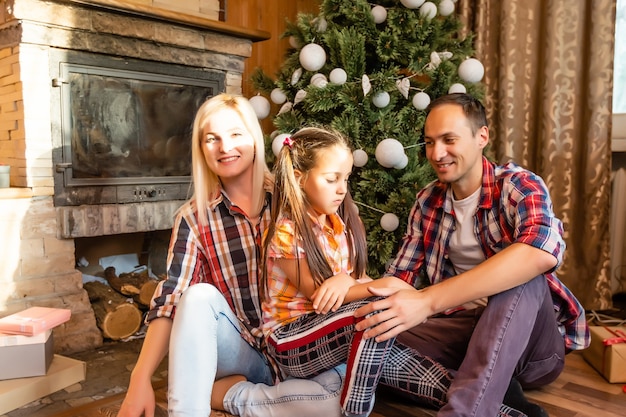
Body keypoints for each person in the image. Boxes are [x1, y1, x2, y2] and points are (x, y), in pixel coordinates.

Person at [354, 93, 590, 417]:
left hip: (533, 350)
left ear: (482, 136)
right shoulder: (427, 201)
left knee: (521, 272)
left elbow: (541, 252)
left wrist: (427, 301)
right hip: (463, 333)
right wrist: (346, 288)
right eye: (429, 142)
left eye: (449, 139)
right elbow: (398, 278)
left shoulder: (518, 185)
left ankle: (465, 410)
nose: (437, 153)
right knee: (371, 329)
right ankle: (502, 400)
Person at [117, 93, 348, 417]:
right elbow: (170, 300)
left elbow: (338, 255)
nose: (225, 147)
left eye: (236, 134)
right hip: (241, 352)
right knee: (197, 297)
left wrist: (347, 278)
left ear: (254, 138)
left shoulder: (294, 198)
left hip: (299, 351)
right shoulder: (194, 218)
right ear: (202, 149)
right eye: (212, 139)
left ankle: (232, 397)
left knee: (337, 403)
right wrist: (139, 378)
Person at [260, 127, 433, 417]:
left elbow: (355, 283)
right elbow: (324, 298)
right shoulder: (285, 232)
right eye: (332, 179)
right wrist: (390, 284)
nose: (342, 188)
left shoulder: (346, 226)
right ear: (300, 178)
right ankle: (355, 409)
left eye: (346, 178)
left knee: (405, 358)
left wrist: (348, 279)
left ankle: (488, 403)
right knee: (372, 309)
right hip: (289, 342)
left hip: (334, 332)